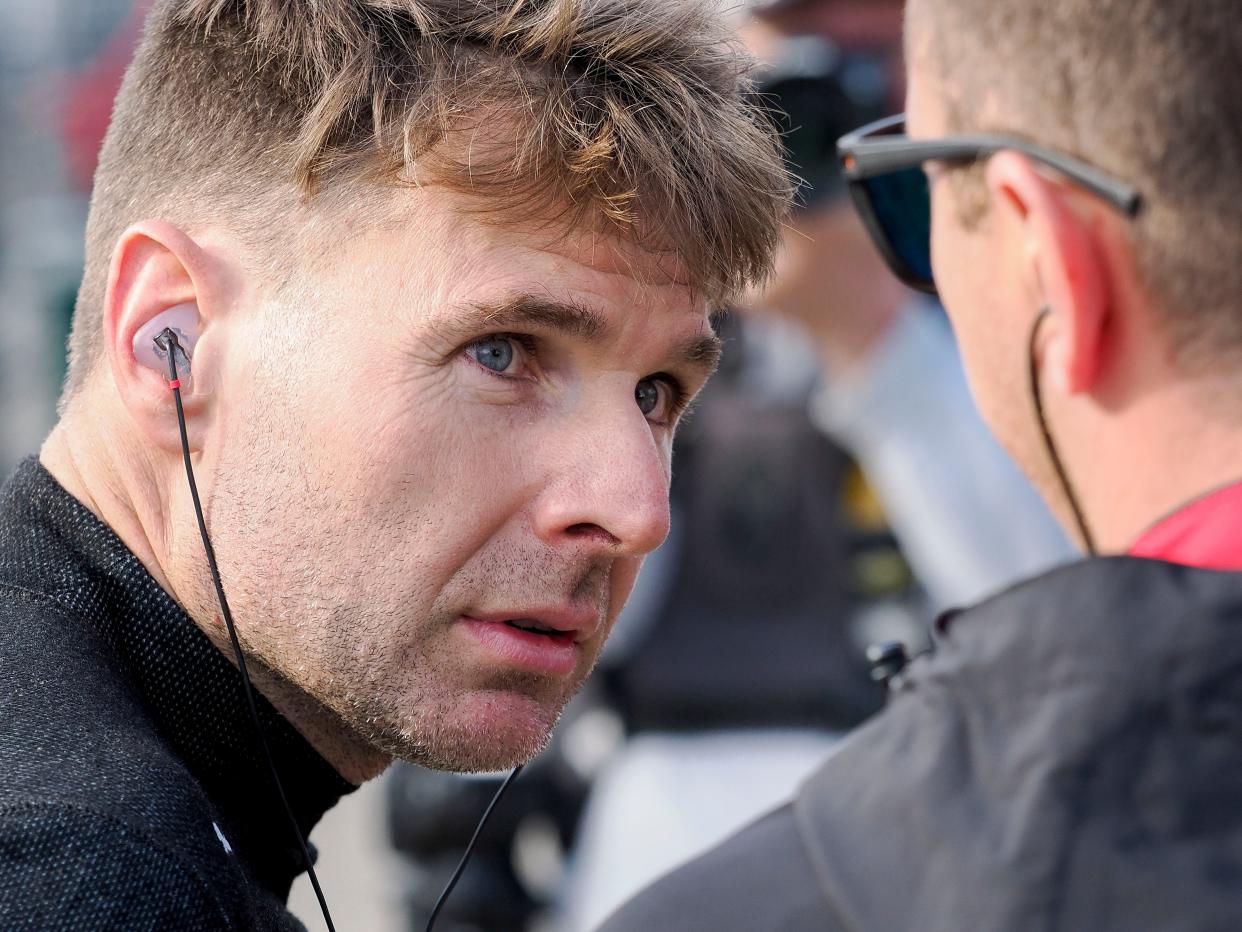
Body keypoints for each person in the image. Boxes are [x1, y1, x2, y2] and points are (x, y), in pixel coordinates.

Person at [0, 0, 790, 928]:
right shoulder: (83, 871)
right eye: (503, 351)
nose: (635, 510)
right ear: (170, 339)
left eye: (655, 393)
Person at [599, 0, 1242, 929]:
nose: (810, 135)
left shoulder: (969, 304)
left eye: (875, 94)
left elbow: (1096, 619)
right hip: (676, 801)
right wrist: (636, 351)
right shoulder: (665, 320)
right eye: (769, 95)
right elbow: (549, 642)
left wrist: (877, 345)